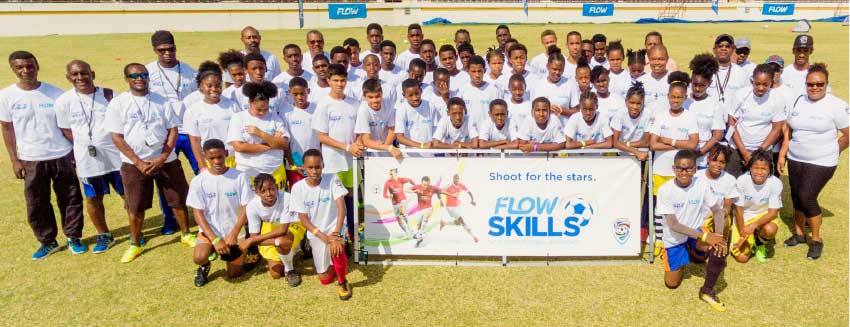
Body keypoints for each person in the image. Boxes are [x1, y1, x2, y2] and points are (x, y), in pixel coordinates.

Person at [105, 63, 195, 263]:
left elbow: (173, 130)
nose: (139, 78)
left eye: (143, 74)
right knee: (135, 206)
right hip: (134, 164)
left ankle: (186, 234)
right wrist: (138, 162)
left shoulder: (161, 101)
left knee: (178, 199)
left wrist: (162, 157)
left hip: (166, 160)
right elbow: (117, 136)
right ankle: (135, 244)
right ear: (127, 79)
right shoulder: (119, 103)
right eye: (134, 75)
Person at [1, 51, 84, 259]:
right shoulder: (6, 96)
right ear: (13, 69)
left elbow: (66, 126)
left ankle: (74, 237)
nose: (25, 70)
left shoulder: (55, 93)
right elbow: (7, 129)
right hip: (31, 158)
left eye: (29, 66)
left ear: (37, 66)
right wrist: (14, 160)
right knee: (37, 202)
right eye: (19, 67)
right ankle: (48, 241)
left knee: (71, 197)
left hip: (61, 154)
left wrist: (74, 152)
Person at [778, 63, 848, 260]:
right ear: (805, 83)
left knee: (807, 197)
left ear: (826, 84)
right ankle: (799, 234)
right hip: (796, 157)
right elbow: (788, 128)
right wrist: (784, 153)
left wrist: (834, 150)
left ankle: (816, 239)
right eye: (811, 84)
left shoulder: (836, 105)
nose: (814, 88)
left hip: (822, 161)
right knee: (796, 196)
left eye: (819, 84)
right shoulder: (798, 101)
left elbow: (847, 134)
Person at [55, 60, 121, 254]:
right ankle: (104, 235)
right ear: (68, 77)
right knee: (93, 199)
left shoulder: (109, 95)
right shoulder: (64, 102)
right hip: (88, 161)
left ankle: (137, 232)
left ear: (92, 73)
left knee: (129, 196)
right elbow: (66, 130)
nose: (80, 78)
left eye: (84, 73)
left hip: (116, 157)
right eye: (74, 75)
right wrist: (84, 144)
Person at [657, 149, 728, 312]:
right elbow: (673, 224)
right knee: (672, 284)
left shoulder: (701, 184)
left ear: (695, 169)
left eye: (688, 168)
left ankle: (707, 291)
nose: (684, 172)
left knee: (718, 247)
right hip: (674, 237)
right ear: (674, 169)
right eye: (680, 168)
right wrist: (704, 235)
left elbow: (717, 210)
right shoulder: (665, 190)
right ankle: (686, 254)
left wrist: (717, 236)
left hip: (696, 229)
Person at [146, 31, 199, 235]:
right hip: (167, 133)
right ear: (155, 50)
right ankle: (170, 219)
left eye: (171, 49)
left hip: (189, 131)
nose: (167, 53)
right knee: (166, 179)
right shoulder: (148, 73)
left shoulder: (189, 72)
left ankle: (209, 213)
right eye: (162, 50)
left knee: (202, 172)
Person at [187, 139, 252, 287]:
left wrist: (234, 233)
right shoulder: (198, 181)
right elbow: (198, 213)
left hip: (233, 235)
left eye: (220, 157)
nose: (216, 161)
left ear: (226, 154)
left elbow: (246, 207)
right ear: (205, 157)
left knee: (234, 275)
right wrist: (215, 239)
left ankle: (239, 253)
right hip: (210, 234)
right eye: (212, 158)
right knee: (199, 257)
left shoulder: (240, 176)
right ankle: (204, 265)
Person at [290, 149, 352, 300]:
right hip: (317, 232)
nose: (314, 171)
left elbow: (342, 208)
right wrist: (325, 238)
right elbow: (304, 220)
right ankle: (335, 260)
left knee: (336, 248)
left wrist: (336, 235)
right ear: (303, 167)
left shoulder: (332, 179)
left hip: (335, 228)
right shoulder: (297, 187)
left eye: (318, 167)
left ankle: (343, 281)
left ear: (323, 165)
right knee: (325, 279)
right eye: (310, 167)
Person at [649, 72, 699, 250]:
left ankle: (679, 240)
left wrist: (669, 141)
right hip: (660, 169)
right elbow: (653, 144)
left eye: (679, 97)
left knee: (679, 206)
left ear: (685, 97)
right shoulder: (661, 116)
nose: (676, 100)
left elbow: (693, 144)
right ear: (668, 96)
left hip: (680, 172)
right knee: (659, 207)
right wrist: (679, 147)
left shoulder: (690, 116)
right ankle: (660, 240)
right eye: (673, 97)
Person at [313, 64, 362, 240]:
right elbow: (322, 136)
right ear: (328, 81)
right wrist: (346, 147)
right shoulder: (324, 105)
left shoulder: (354, 103)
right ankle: (337, 236)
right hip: (333, 161)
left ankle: (352, 234)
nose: (340, 84)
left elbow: (359, 131)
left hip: (351, 160)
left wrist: (356, 144)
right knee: (336, 200)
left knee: (351, 196)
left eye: (342, 80)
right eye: (335, 80)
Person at [240, 173, 304, 285]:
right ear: (256, 192)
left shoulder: (286, 198)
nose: (269, 193)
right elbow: (255, 237)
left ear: (277, 187)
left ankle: (290, 270)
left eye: (271, 189)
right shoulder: (252, 206)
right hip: (270, 227)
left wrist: (251, 240)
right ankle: (288, 251)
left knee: (283, 240)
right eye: (263, 191)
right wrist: (256, 240)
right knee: (276, 274)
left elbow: (283, 230)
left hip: (292, 224)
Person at [726, 64, 786, 177]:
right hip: (737, 148)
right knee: (732, 184)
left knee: (761, 183)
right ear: (752, 81)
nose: (761, 88)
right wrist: (744, 152)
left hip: (763, 149)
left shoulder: (777, 98)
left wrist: (759, 152)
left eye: (765, 84)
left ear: (771, 83)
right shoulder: (740, 95)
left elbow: (776, 129)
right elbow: (731, 124)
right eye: (757, 84)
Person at [226, 81, 290, 182]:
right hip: (248, 172)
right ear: (250, 103)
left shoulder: (275, 118)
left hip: (275, 170)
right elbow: (239, 147)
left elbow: (284, 144)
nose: (262, 112)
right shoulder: (238, 118)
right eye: (258, 109)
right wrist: (272, 143)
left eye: (265, 109)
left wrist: (260, 133)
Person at [184, 61, 239, 172]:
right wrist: (202, 165)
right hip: (210, 161)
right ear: (201, 87)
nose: (214, 89)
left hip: (233, 159)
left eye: (218, 85)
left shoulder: (232, 105)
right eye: (209, 86)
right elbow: (195, 141)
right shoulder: (193, 111)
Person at [731, 149, 781, 264]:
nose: (759, 172)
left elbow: (773, 213)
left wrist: (753, 226)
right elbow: (738, 211)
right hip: (744, 218)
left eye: (763, 168)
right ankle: (752, 238)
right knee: (742, 259)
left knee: (770, 229)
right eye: (756, 168)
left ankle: (759, 243)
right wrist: (744, 234)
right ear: (750, 168)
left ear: (770, 170)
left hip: (763, 216)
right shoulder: (742, 181)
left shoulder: (776, 183)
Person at [691, 144, 738, 262]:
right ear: (708, 159)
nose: (718, 164)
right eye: (714, 160)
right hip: (698, 222)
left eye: (722, 162)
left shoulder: (730, 179)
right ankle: (693, 245)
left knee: (723, 218)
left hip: (716, 221)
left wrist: (724, 211)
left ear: (725, 164)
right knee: (699, 259)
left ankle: (721, 246)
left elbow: (728, 204)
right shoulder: (696, 176)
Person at [686, 53, 725, 169]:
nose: (697, 88)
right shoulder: (683, 99)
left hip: (703, 158)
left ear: (709, 83)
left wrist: (700, 152)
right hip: (681, 154)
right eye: (695, 84)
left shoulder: (714, 104)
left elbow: (717, 134)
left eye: (702, 85)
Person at [279, 77, 317, 187]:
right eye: (295, 94)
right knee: (298, 193)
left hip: (316, 162)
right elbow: (286, 143)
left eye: (302, 93)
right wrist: (292, 164)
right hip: (297, 164)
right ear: (290, 92)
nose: (299, 97)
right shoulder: (285, 113)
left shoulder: (317, 109)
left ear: (308, 91)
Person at [530, 47, 578, 125]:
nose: (557, 72)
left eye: (560, 70)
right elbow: (532, 111)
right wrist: (546, 110)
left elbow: (577, 111)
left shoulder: (570, 84)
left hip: (564, 130)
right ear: (548, 66)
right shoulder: (538, 85)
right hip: (544, 131)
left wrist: (562, 111)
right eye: (554, 69)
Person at [355, 78, 402, 159]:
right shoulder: (363, 110)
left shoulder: (389, 104)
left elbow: (392, 130)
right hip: (369, 152)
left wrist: (386, 148)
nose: (375, 100)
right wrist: (388, 148)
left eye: (377, 96)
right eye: (370, 97)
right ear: (364, 97)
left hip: (386, 147)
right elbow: (366, 140)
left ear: (382, 94)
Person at [458, 55, 503, 130]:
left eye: (479, 71)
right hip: (469, 134)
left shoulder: (493, 90)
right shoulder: (462, 90)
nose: (477, 75)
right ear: (468, 71)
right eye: (473, 71)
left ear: (484, 71)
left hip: (488, 134)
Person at [395, 79, 440, 149]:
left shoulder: (431, 106)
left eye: (417, 93)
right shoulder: (401, 109)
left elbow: (437, 131)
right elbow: (399, 137)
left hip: (428, 154)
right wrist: (421, 146)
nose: (415, 98)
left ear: (421, 91)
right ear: (404, 95)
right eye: (410, 95)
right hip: (408, 154)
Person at [611, 82, 650, 161]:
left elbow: (647, 142)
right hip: (622, 154)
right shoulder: (620, 114)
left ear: (643, 102)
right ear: (626, 101)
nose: (635, 107)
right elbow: (615, 142)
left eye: (638, 103)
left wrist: (627, 144)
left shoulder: (648, 114)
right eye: (632, 103)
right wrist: (636, 151)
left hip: (641, 156)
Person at [707, 34, 749, 104]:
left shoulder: (741, 73)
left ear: (733, 50)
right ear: (714, 50)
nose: (724, 48)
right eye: (720, 46)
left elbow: (747, 97)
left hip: (733, 114)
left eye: (727, 46)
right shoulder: (704, 70)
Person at [440, 174, 478, 243]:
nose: (457, 180)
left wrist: (472, 200)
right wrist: (441, 201)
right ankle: (474, 236)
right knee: (462, 220)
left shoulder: (461, 185)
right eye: (455, 179)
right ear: (453, 179)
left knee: (458, 223)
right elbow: (440, 191)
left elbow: (469, 192)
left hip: (457, 206)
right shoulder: (449, 185)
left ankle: (444, 223)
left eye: (458, 179)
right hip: (450, 207)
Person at [407, 175, 442, 247]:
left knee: (425, 219)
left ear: (429, 183)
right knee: (418, 226)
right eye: (424, 184)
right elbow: (406, 189)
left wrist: (440, 199)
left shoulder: (433, 188)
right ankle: (419, 238)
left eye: (427, 184)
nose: (425, 186)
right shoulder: (418, 187)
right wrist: (414, 190)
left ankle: (419, 234)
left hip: (429, 208)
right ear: (421, 183)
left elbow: (440, 191)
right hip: (420, 210)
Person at [383, 169, 415, 238]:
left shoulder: (401, 180)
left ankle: (410, 228)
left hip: (402, 200)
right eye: (390, 174)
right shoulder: (388, 182)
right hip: (394, 203)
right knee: (399, 219)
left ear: (396, 174)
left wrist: (415, 186)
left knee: (402, 212)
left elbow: (410, 180)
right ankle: (407, 233)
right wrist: (389, 196)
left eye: (392, 174)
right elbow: (384, 195)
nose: (390, 176)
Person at [638, 45, 671, 109]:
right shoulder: (640, 82)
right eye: (653, 59)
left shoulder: (674, 80)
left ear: (667, 59)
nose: (657, 63)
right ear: (649, 59)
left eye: (661, 59)